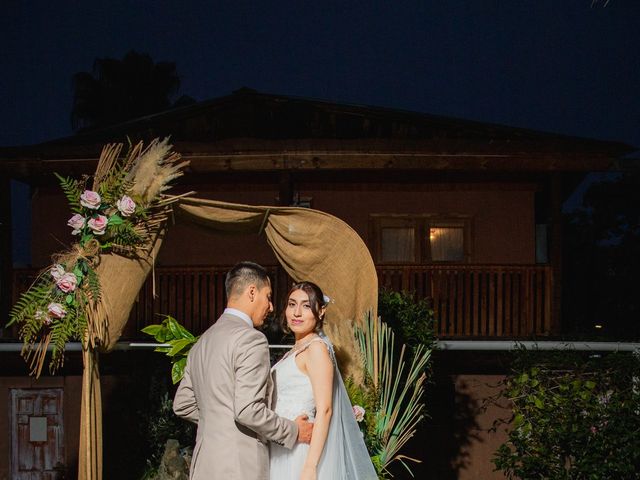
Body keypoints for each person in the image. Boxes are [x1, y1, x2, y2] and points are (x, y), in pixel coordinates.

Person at [173, 261, 313, 479]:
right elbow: (248, 410)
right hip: (239, 466)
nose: (271, 307)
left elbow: (182, 404)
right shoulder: (251, 339)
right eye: (268, 297)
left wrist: (220, 421)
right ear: (251, 292)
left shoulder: (203, 342)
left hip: (204, 466)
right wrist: (294, 431)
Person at [269, 281, 378, 480]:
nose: (297, 313)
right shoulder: (295, 351)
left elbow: (325, 409)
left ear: (320, 311)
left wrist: (310, 466)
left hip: (299, 453)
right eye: (292, 304)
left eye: (306, 305)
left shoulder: (316, 349)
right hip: (281, 448)